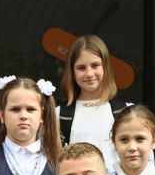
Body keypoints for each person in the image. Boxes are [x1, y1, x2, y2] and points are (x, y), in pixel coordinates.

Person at [56, 34, 132, 168]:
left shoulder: (126, 112)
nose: (89, 74)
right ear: (72, 72)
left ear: (106, 67)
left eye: (95, 65)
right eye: (81, 68)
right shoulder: (59, 115)